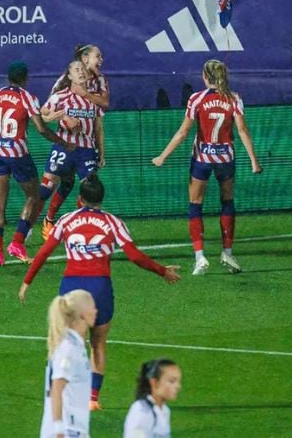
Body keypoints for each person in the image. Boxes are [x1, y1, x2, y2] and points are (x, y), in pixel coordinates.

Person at [20, 174, 180, 412]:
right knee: (98, 343)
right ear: (101, 198)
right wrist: (162, 271)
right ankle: (93, 398)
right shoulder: (114, 222)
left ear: (80, 198)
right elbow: (134, 256)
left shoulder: (65, 220)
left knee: (69, 343)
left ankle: (62, 391)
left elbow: (43, 253)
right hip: (100, 287)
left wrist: (27, 282)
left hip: (72, 288)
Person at [152, 59, 262, 276]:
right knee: (227, 202)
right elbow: (242, 130)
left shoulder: (196, 99)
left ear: (204, 77)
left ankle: (200, 257)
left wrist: (162, 156)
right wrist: (253, 160)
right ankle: (227, 252)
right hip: (225, 159)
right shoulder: (233, 99)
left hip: (202, 158)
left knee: (195, 204)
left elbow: (183, 132)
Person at [0, 60, 73, 266]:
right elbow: (41, 129)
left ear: (8, 77)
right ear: (25, 78)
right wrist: (63, 142)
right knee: (34, 196)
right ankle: (17, 242)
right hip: (16, 152)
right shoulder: (28, 98)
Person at [40, 49, 109, 240]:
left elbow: (98, 127)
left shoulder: (92, 99)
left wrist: (101, 152)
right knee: (45, 190)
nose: (81, 72)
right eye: (76, 70)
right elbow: (41, 116)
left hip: (85, 150)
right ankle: (29, 227)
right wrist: (61, 116)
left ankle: (82, 227)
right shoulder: (61, 96)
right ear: (69, 75)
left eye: (82, 70)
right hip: (64, 146)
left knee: (89, 189)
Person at [40, 289, 97, 438]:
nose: (96, 311)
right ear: (82, 314)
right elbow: (57, 388)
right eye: (92, 307)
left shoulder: (74, 345)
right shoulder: (69, 348)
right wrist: (59, 430)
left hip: (74, 428)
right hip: (67, 430)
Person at [123, 358, 182, 438]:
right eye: (172, 381)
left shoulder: (164, 410)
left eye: (178, 381)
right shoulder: (142, 411)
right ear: (154, 382)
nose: (178, 386)